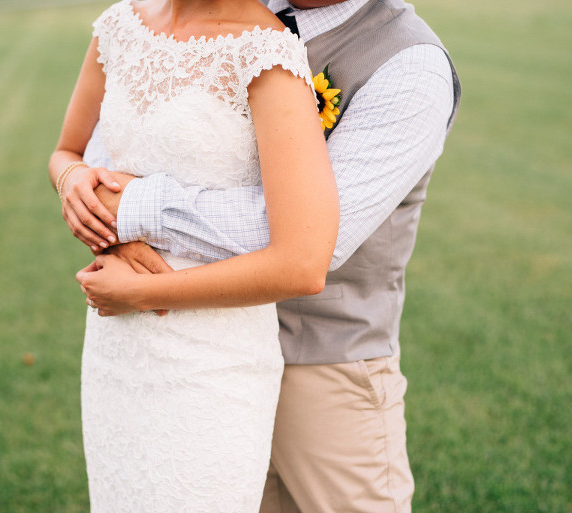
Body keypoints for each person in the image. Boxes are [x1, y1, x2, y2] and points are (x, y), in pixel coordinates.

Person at [72, 0, 461, 511]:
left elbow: (312, 240)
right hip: (192, 355)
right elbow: (112, 153)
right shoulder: (219, 14)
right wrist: (98, 202)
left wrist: (135, 207)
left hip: (326, 367)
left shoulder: (409, 65)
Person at [49, 0, 339, 511]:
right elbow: (67, 152)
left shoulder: (267, 53)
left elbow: (303, 262)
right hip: (115, 353)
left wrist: (144, 293)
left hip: (212, 365)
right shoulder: (119, 26)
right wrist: (73, 183)